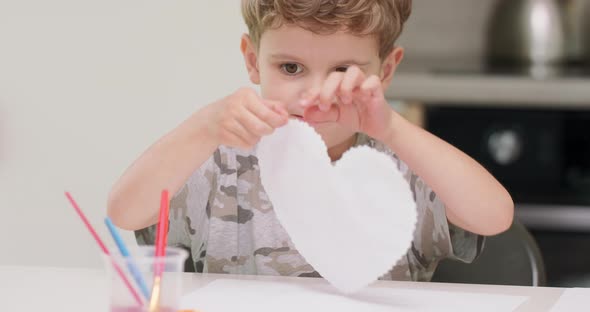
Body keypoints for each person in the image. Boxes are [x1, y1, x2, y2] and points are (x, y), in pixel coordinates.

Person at [108, 0, 514, 281]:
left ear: (386, 70)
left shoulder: (401, 168)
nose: (314, 94)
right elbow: (125, 212)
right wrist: (204, 125)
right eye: (290, 67)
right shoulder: (219, 163)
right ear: (252, 61)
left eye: (342, 69)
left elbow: (495, 216)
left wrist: (391, 127)